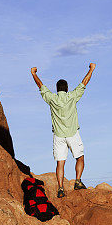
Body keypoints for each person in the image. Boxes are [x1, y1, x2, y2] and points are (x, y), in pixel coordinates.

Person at [30, 62, 96, 198]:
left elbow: (40, 86)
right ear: (66, 88)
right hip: (73, 134)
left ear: (57, 89)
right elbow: (84, 83)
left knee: (60, 163)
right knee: (80, 158)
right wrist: (91, 69)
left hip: (58, 136)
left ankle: (61, 189)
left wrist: (34, 74)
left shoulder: (52, 98)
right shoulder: (72, 97)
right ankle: (77, 181)